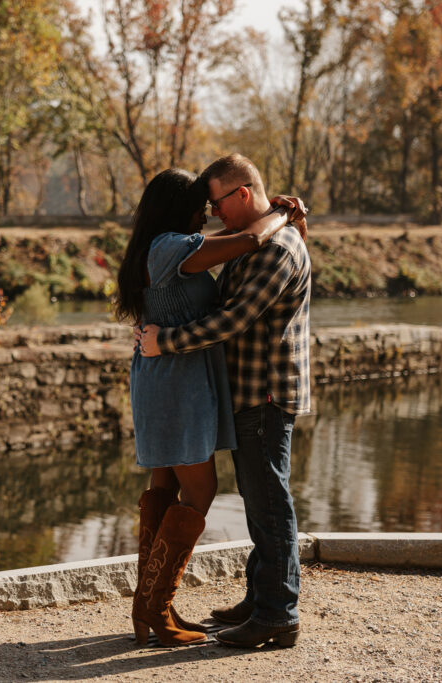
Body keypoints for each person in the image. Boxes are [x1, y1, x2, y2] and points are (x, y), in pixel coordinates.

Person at [115, 167, 305, 647]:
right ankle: (155, 608)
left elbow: (234, 238)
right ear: (180, 208)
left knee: (164, 487)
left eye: (214, 201)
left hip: (165, 378)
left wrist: (273, 218)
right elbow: (245, 241)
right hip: (177, 381)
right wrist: (280, 212)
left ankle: (151, 607)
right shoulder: (176, 249)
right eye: (202, 204)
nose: (208, 211)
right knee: (201, 491)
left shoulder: (159, 246)